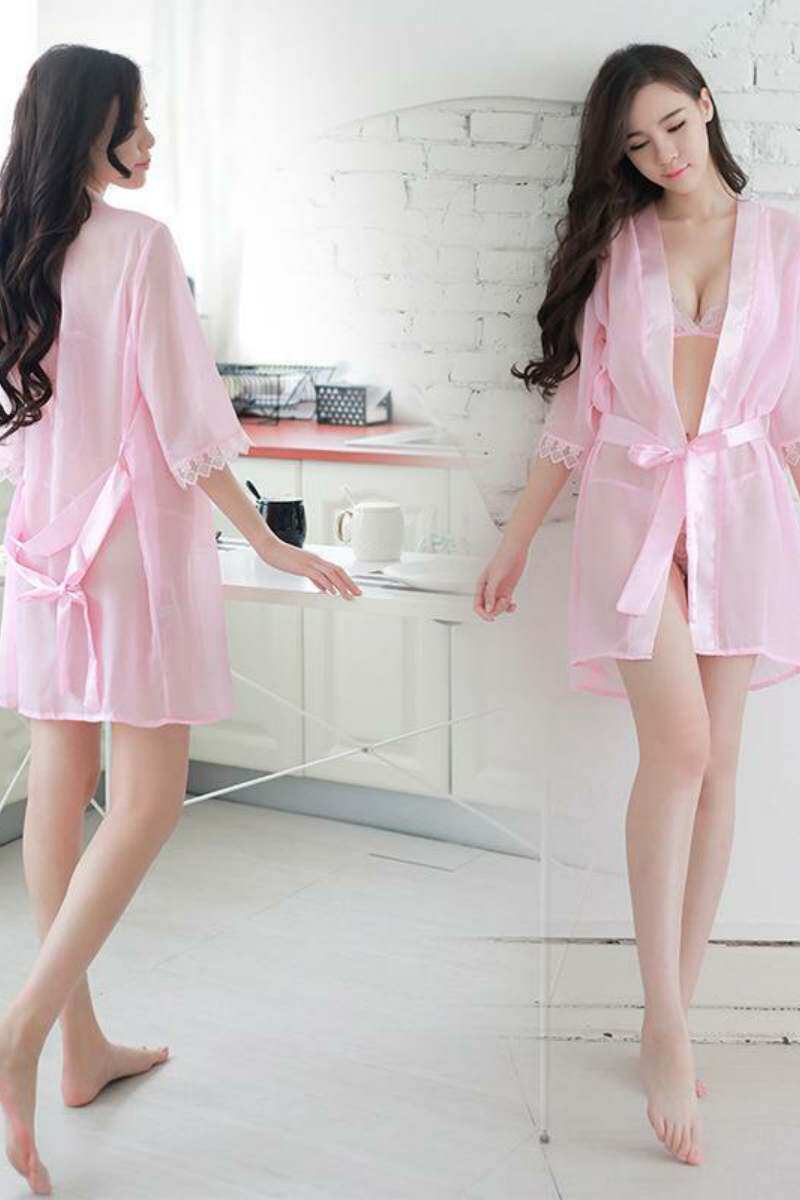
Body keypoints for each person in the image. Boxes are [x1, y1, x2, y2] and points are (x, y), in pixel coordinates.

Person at [0, 44, 362, 1195]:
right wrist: (268, 541)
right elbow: (186, 428)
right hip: (131, 554)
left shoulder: (13, 248)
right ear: (85, 130)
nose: (148, 141)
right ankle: (25, 1028)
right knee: (149, 800)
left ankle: (79, 1048)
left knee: (60, 782)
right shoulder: (138, 247)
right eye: (132, 122)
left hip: (40, 546)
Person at [473, 43, 800, 1169]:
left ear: (706, 105)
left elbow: (793, 417)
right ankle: (662, 1024)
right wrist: (519, 536)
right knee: (681, 749)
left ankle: (680, 1007)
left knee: (720, 766)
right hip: (634, 505)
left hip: (744, 511)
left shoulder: (784, 240)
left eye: (672, 124)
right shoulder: (620, 247)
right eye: (636, 142)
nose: (662, 153)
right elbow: (577, 408)